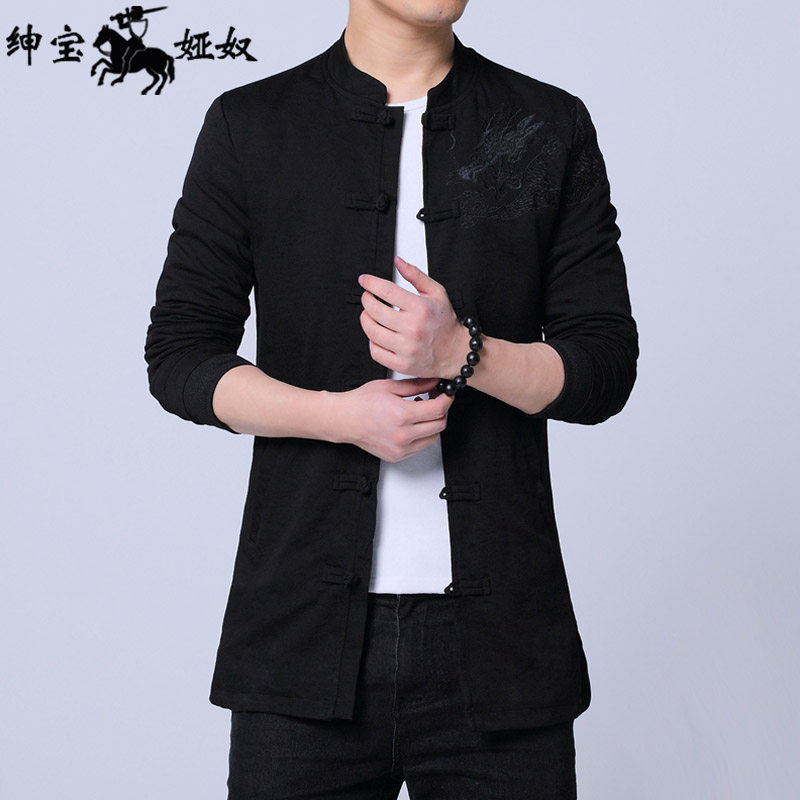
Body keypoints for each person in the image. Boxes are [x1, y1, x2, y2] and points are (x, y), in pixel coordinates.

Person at [144, 0, 638, 797]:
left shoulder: (545, 125)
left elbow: (604, 366)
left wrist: (463, 353)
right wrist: (338, 417)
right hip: (301, 644)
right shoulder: (252, 124)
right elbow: (179, 354)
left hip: (504, 648)